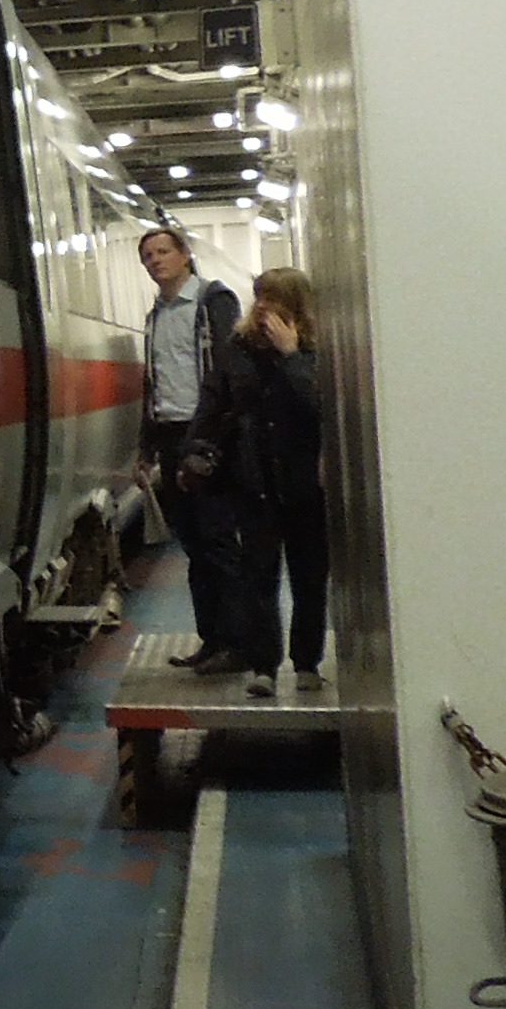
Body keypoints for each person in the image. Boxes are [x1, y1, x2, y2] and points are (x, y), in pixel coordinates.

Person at [135, 224, 255, 674]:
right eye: (148, 256)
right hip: (171, 435)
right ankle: (212, 639)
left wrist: (216, 437)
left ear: (184, 254)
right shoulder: (156, 315)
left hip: (205, 435)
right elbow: (152, 384)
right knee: (194, 544)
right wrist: (146, 448)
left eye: (163, 252)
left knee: (218, 540)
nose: (155, 261)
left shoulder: (213, 302)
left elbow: (228, 371)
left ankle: (239, 645)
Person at [222, 266, 331, 695]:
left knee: (309, 577)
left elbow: (318, 402)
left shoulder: (317, 349)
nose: (263, 306)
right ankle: (263, 666)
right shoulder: (241, 347)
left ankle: (307, 663)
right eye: (259, 296)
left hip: (305, 484)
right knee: (258, 577)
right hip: (256, 480)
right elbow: (220, 400)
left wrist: (292, 356)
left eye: (273, 297)